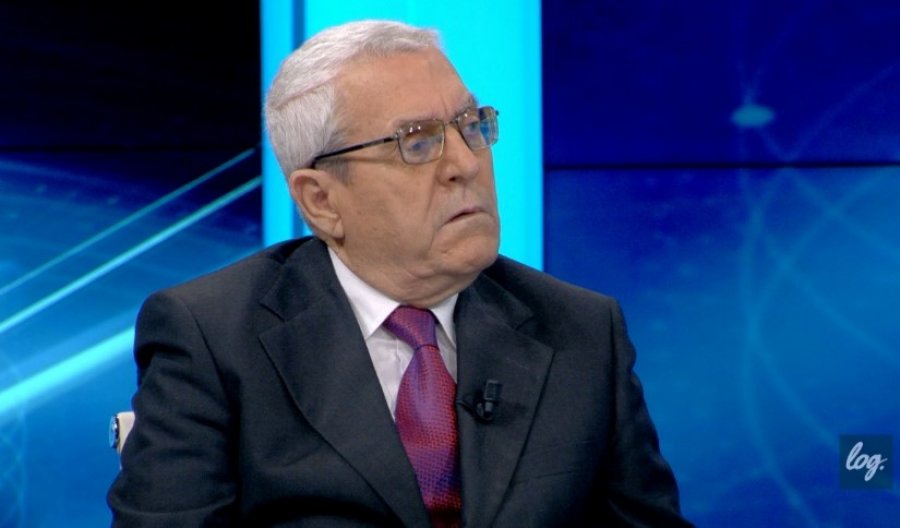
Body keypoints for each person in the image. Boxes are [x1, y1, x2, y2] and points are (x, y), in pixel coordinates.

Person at [108, 19, 692, 527]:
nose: (465, 164)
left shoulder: (581, 330)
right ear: (321, 201)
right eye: (417, 143)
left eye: (472, 124)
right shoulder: (212, 338)